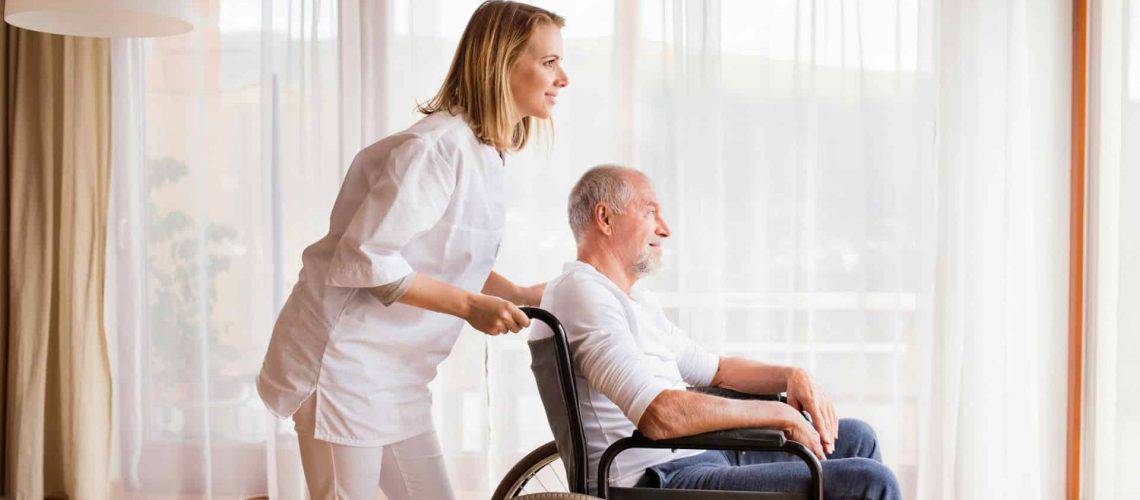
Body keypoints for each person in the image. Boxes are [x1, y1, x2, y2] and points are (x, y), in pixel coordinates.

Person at [255, 2, 568, 498]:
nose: (563, 78)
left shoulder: (484, 152)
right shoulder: (433, 149)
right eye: (549, 62)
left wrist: (518, 292)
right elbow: (368, 259)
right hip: (345, 364)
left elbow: (445, 254)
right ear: (501, 62)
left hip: (398, 372)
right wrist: (470, 308)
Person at [530, 165, 900, 499]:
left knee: (857, 438)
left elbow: (717, 369)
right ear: (605, 219)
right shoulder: (582, 293)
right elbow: (660, 415)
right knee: (869, 481)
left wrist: (792, 375)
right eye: (650, 211)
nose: (665, 228)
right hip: (654, 478)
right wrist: (780, 414)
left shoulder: (633, 300)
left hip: (700, 454)